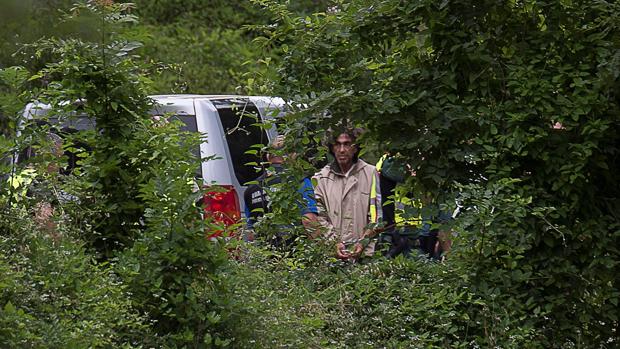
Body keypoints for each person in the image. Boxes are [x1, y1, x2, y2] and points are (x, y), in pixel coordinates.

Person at [313, 126, 382, 261]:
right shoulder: (320, 178)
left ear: (355, 148)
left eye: (347, 144)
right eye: (337, 145)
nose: (342, 150)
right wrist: (333, 243)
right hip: (332, 257)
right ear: (332, 148)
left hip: (366, 256)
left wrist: (363, 242)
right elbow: (319, 217)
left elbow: (377, 215)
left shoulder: (371, 173)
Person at [243, 136, 319, 247]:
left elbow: (251, 234)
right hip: (296, 255)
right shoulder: (299, 181)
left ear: (268, 157)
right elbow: (308, 220)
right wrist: (320, 248)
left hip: (266, 258)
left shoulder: (251, 189)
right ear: (292, 156)